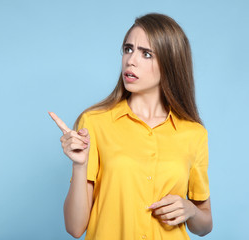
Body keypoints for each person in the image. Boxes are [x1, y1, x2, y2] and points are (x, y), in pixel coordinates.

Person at [49, 13, 212, 240]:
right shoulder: (95, 123)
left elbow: (204, 226)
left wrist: (191, 210)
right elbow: (75, 228)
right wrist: (79, 166)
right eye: (128, 49)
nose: (131, 60)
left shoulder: (193, 134)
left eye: (146, 54)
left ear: (170, 63)